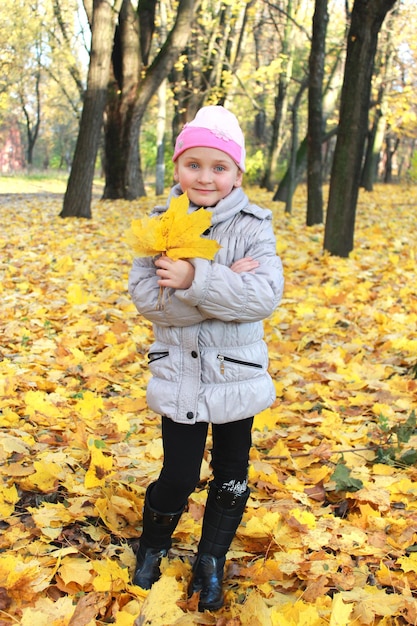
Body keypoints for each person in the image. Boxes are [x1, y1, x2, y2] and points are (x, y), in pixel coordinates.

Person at [128, 105, 284, 611]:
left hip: (235, 375)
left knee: (232, 473)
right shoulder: (155, 228)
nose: (206, 177)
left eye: (219, 167)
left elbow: (262, 297)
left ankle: (210, 561)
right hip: (180, 375)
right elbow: (151, 303)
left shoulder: (254, 227)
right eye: (194, 164)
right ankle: (152, 546)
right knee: (178, 473)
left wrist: (196, 278)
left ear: (237, 174)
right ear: (177, 167)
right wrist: (224, 286)